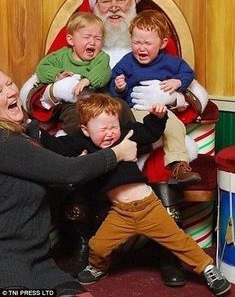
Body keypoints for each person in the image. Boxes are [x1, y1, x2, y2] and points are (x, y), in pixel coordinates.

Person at [19, 0, 208, 286]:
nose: (116, 7)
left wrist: (170, 97)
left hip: (140, 126)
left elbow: (193, 89)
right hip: (90, 129)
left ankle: (168, 252)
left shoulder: (147, 38)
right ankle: (83, 244)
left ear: (134, 3)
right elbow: (33, 89)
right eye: (107, 1)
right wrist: (55, 91)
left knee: (162, 162)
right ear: (94, 7)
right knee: (78, 157)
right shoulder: (78, 41)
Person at [33, 92, 230, 297]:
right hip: (120, 213)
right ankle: (98, 267)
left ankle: (208, 269)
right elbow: (59, 146)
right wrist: (37, 133)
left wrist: (158, 117)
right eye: (103, 129)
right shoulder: (82, 144)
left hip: (149, 206)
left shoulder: (126, 134)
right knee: (98, 245)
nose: (110, 133)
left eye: (113, 126)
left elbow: (150, 132)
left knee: (180, 242)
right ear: (85, 130)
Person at [0, 69, 137, 292]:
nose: (10, 91)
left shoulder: (21, 134)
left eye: (9, 83)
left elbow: (54, 176)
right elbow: (67, 171)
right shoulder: (3, 141)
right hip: (7, 262)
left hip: (42, 262)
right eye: (0, 90)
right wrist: (117, 153)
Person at [109, 9, 201, 182]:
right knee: (135, 129)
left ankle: (178, 165)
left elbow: (188, 72)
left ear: (163, 43)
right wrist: (119, 86)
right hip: (135, 109)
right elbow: (113, 85)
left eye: (147, 43)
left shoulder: (171, 62)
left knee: (176, 126)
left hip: (160, 109)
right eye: (136, 42)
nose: (141, 47)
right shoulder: (127, 61)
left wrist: (178, 82)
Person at [35, 12, 111, 134]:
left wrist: (88, 80)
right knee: (74, 116)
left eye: (98, 38)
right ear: (71, 40)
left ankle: (133, 136)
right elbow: (42, 68)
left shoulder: (101, 57)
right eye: (87, 37)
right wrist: (57, 75)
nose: (92, 42)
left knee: (120, 105)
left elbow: (104, 72)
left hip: (98, 101)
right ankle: (76, 140)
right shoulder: (61, 56)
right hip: (71, 104)